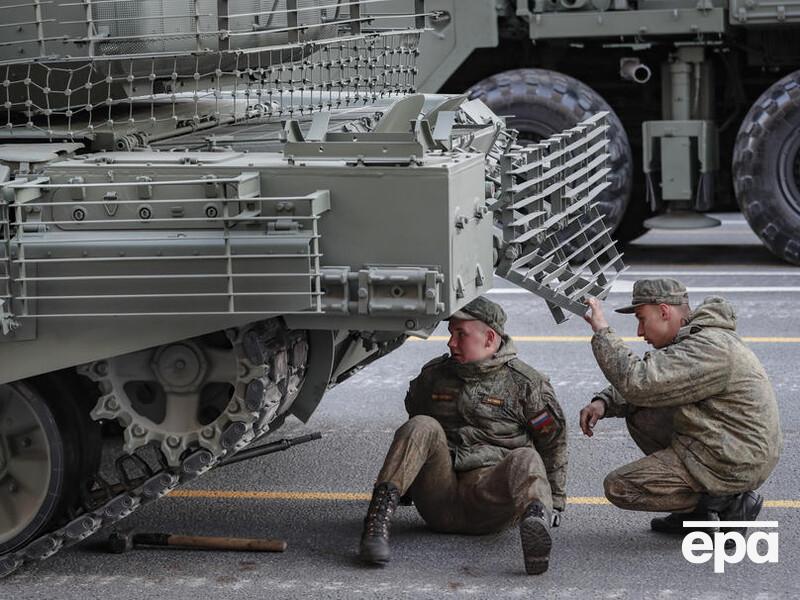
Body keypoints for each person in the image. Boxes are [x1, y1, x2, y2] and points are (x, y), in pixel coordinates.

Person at [358, 296, 567, 574]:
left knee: (526, 457)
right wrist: (406, 483)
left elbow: (552, 441)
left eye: (461, 334)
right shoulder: (435, 375)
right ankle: (376, 527)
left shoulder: (526, 384)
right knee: (422, 424)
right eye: (450, 333)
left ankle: (536, 530)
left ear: (490, 338)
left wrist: (556, 502)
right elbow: (414, 431)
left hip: (489, 504)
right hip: (438, 499)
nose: (451, 343)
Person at [580, 278, 782, 533]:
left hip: (737, 459)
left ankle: (729, 502)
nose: (640, 332)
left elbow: (639, 382)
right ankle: (698, 515)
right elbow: (659, 379)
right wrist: (604, 402)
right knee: (641, 409)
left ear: (664, 311)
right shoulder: (695, 339)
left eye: (642, 319)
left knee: (620, 487)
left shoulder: (707, 347)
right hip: (727, 445)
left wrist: (602, 330)